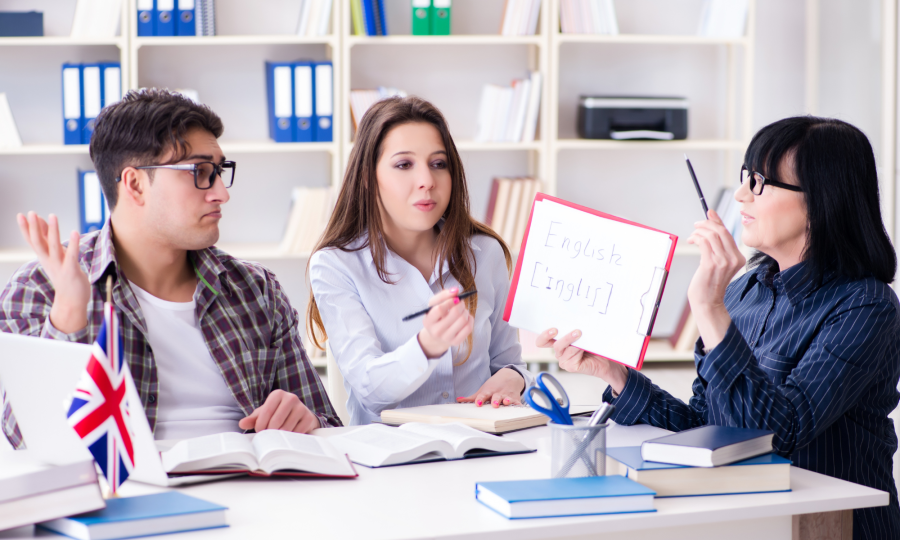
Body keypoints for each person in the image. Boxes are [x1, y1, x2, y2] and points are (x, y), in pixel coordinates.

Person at [537, 116, 900, 539]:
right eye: (744, 177)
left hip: (832, 527)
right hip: (752, 521)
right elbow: (708, 427)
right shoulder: (745, 292)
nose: (742, 195)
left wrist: (709, 310)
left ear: (821, 201)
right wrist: (614, 375)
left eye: (760, 182)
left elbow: (781, 433)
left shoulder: (866, 305)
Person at [1, 88, 340, 448]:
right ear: (134, 184)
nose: (221, 193)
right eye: (200, 172)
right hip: (126, 494)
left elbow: (328, 425)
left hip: (250, 487)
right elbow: (22, 441)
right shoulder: (40, 286)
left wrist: (307, 420)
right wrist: (69, 315)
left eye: (220, 171)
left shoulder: (255, 289)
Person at [307, 96, 533, 425]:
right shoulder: (336, 266)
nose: (427, 180)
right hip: (392, 460)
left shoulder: (486, 253)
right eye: (404, 165)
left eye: (438, 163)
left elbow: (508, 361)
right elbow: (369, 390)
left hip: (483, 448)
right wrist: (428, 346)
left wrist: (515, 379)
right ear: (369, 177)